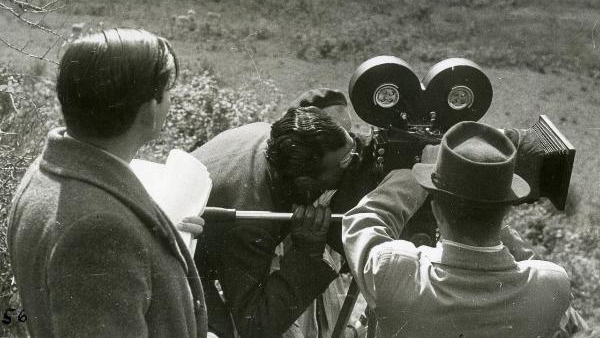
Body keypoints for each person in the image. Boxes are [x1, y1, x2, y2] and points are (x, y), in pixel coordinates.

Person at [8, 28, 207, 337]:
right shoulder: (102, 233)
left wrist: (155, 231)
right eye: (168, 89)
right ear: (149, 109)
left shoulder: (47, 173)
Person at [342, 121, 573, 337]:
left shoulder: (393, 270)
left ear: (436, 211)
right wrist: (490, 202)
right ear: (507, 211)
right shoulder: (552, 286)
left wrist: (415, 173)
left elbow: (363, 220)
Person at [192, 106, 363, 338]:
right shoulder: (252, 222)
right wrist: (307, 253)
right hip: (179, 263)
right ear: (305, 182)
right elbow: (255, 326)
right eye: (345, 162)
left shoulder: (271, 137)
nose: (355, 162)